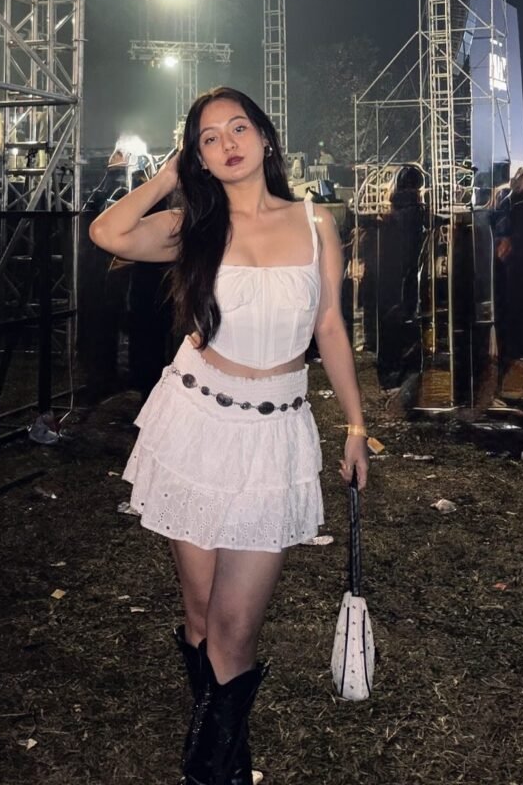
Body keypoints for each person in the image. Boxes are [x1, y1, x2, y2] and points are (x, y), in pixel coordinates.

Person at [90, 87, 369, 785]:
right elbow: (109, 233)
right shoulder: (194, 227)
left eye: (238, 128)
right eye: (208, 138)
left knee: (234, 626)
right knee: (200, 615)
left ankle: (210, 767)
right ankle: (223, 753)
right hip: (197, 423)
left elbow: (329, 326)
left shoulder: (316, 223)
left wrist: (356, 424)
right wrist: (167, 175)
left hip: (273, 433)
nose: (227, 144)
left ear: (265, 137)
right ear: (199, 157)